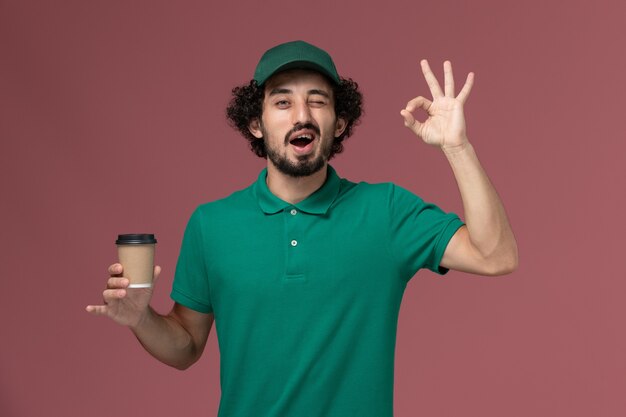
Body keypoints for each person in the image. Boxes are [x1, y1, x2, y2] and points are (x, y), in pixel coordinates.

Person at [86, 40, 518, 417]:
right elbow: (185, 347)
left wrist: (457, 148)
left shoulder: (385, 211)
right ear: (255, 124)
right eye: (282, 101)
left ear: (339, 122)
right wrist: (140, 319)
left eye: (318, 100)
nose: (302, 114)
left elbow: (495, 255)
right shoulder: (211, 225)